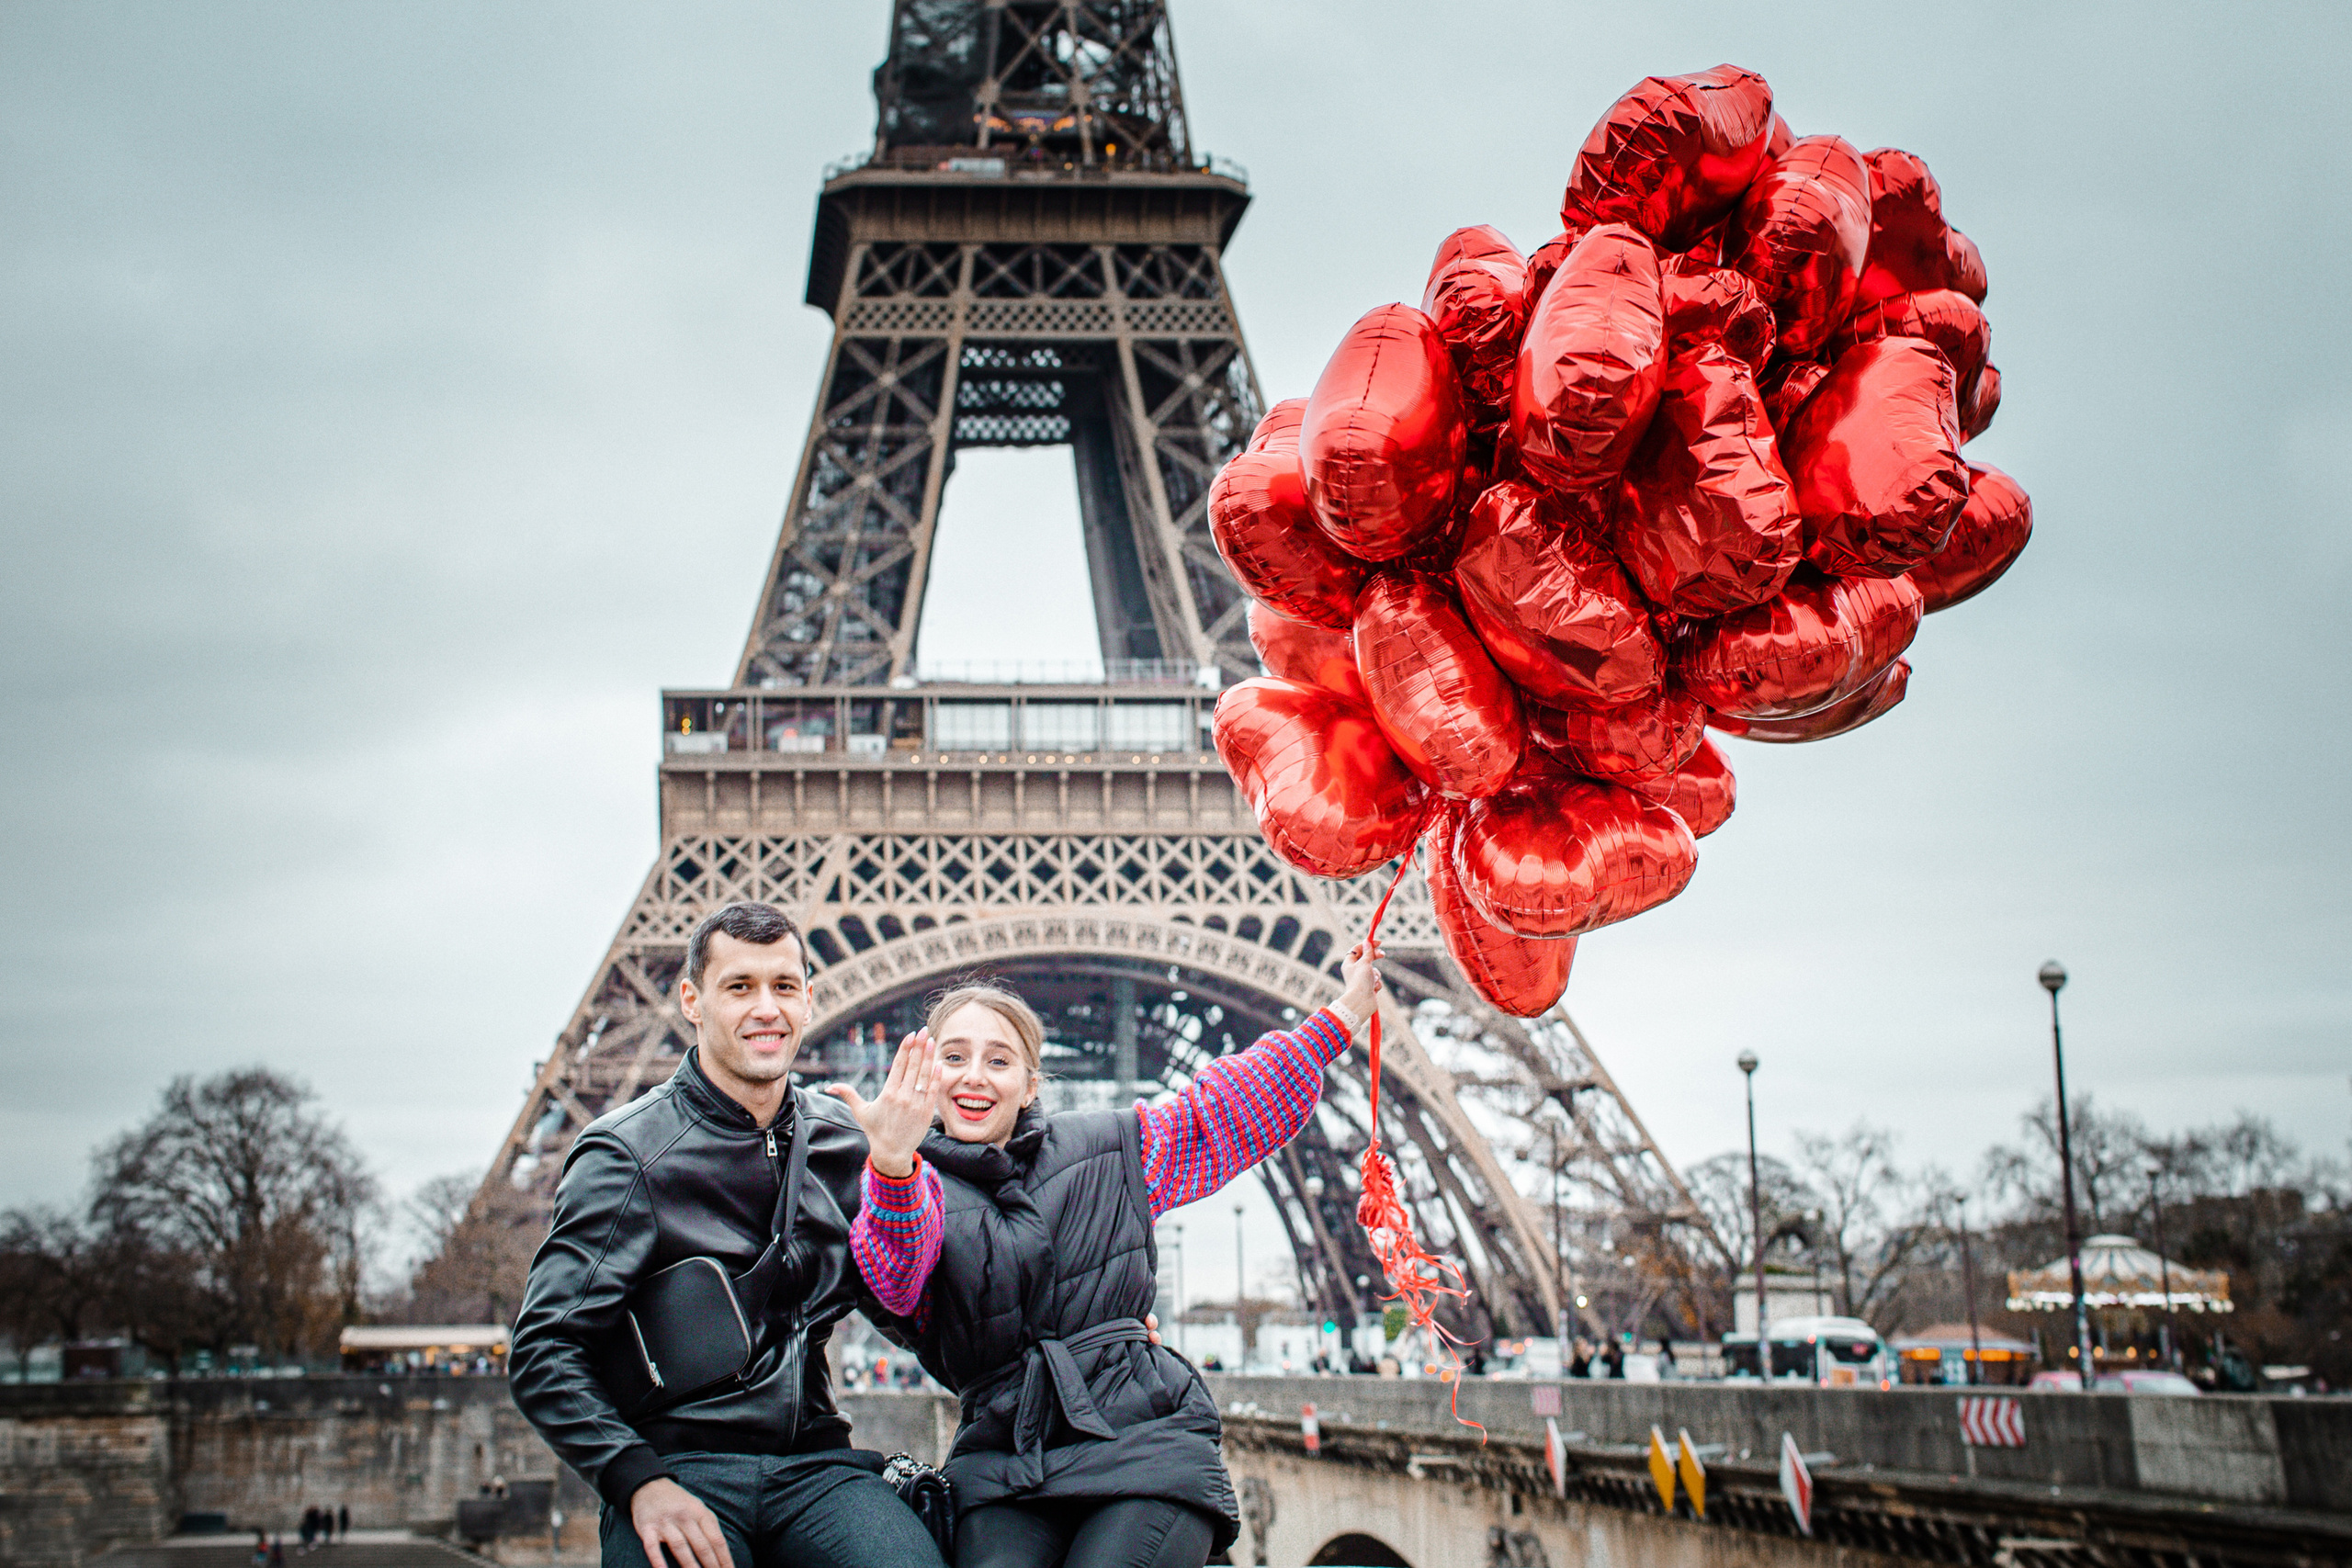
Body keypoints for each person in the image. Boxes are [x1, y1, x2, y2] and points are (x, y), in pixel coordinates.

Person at [838, 935, 1385, 1568]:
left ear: (1029, 1083)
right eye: (954, 1056)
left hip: (1142, 1440)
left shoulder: (1110, 1145)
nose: (974, 1076)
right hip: (1004, 1461)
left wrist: (1343, 1013)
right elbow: (897, 1275)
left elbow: (1225, 1109)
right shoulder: (914, 1184)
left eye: (999, 1060)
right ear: (928, 1077)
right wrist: (892, 1163)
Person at [508, 902, 951, 1568]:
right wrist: (638, 1480)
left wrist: (1099, 1328)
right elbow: (544, 1347)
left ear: (809, 999)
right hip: (680, 1463)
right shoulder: (626, 1154)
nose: (765, 1007)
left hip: (816, 1466)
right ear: (692, 999)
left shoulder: (849, 1142)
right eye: (739, 986)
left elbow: (919, 1308)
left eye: (783, 986)